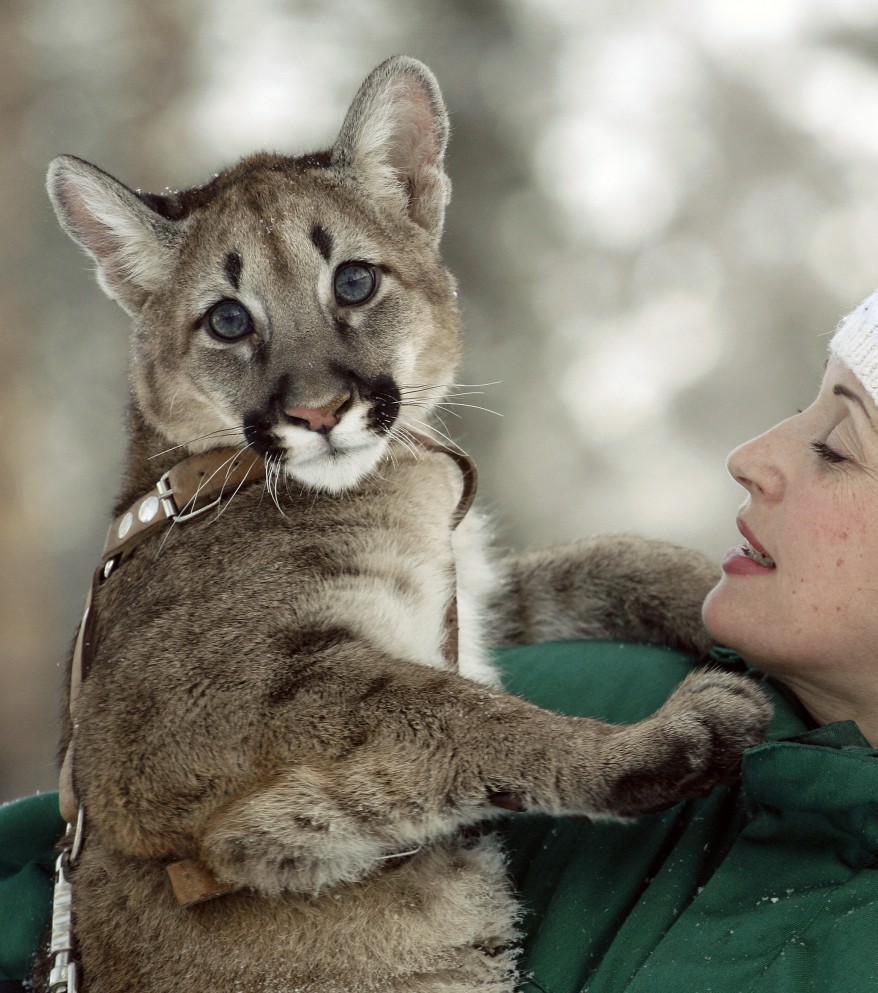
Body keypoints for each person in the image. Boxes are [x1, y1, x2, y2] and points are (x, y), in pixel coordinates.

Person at [5, 292, 878, 992]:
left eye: (837, 446)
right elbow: (117, 831)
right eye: (797, 409)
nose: (751, 455)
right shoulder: (620, 693)